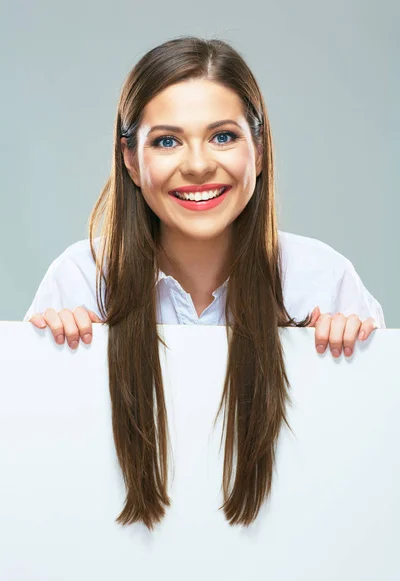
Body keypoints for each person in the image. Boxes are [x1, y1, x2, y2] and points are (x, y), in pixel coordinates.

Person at [24, 36, 385, 530]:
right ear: (131, 160)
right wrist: (55, 356)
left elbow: (372, 480)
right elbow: (35, 478)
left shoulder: (322, 280)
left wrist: (352, 363)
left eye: (222, 136)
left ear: (258, 149)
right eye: (167, 141)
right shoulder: (80, 280)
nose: (197, 164)